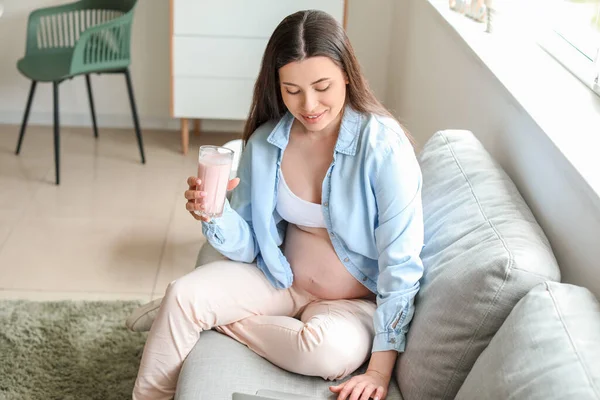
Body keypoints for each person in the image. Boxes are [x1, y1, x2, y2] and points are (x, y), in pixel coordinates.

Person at [131, 9, 424, 400]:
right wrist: (216, 213)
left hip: (351, 306)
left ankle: (203, 319)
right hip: (279, 280)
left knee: (325, 352)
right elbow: (250, 243)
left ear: (347, 76)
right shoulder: (267, 143)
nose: (309, 105)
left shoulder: (383, 146)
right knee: (185, 294)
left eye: (323, 86)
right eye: (292, 90)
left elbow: (401, 264)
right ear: (277, 85)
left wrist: (378, 372)